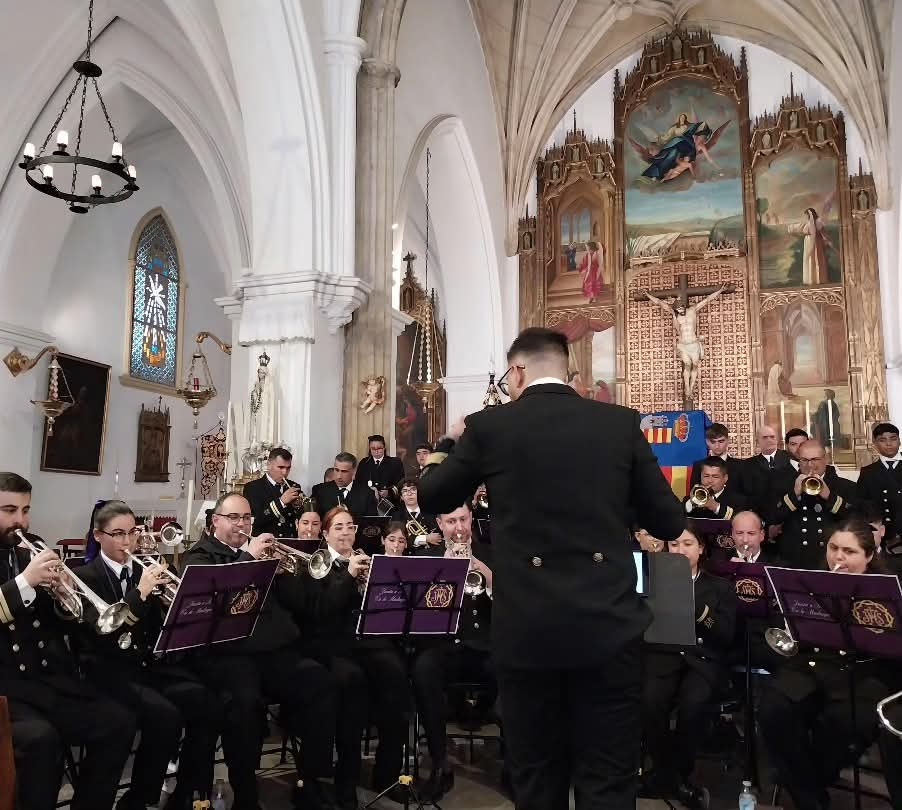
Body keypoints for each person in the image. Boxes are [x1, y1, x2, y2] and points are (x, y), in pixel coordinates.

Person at [417, 327, 686, 810]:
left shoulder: (490, 427)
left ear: (517, 372)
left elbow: (432, 494)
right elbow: (667, 520)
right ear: (567, 370)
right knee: (607, 777)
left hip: (529, 630)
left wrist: (448, 438)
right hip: (608, 627)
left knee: (537, 777)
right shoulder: (620, 424)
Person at [181, 493, 337, 810]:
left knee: (321, 683)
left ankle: (310, 779)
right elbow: (212, 608)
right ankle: (245, 791)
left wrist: (283, 573)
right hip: (228, 654)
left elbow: (298, 606)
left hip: (272, 650)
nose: (242, 524)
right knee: (244, 703)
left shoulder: (266, 555)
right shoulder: (198, 557)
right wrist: (249, 560)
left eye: (247, 518)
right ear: (216, 521)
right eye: (234, 518)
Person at [1, 472, 136, 810]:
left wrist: (63, 595)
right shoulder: (24, 564)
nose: (20, 520)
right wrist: (26, 581)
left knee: (118, 722)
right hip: (5, 688)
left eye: (26, 510)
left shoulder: (28, 547)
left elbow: (58, 619)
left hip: (46, 680)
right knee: (42, 742)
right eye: (9, 510)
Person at [76, 500, 221, 810]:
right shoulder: (85, 576)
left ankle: (189, 790)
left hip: (147, 666)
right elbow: (105, 637)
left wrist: (171, 605)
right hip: (107, 670)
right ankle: (139, 798)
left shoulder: (147, 568)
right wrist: (140, 594)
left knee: (205, 700)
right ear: (98, 536)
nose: (127, 542)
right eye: (117, 534)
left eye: (132, 532)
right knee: (164, 716)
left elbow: (161, 628)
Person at [759, 518, 895, 810]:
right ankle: (811, 798)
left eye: (849, 551)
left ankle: (805, 783)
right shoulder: (811, 583)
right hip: (814, 662)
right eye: (834, 548)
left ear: (869, 556)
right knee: (773, 710)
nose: (839, 557)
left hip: (866, 671)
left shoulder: (886, 591)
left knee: (847, 724)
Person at [305, 507, 411, 809]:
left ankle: (387, 773)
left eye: (350, 527)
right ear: (325, 533)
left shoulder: (365, 559)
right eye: (338, 527)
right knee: (352, 684)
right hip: (332, 645)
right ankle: (345, 781)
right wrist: (349, 576)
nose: (346, 533)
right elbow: (321, 610)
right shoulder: (317, 564)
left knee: (396, 675)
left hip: (368, 642)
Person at [642, 528, 736, 808]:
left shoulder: (720, 587)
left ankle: (679, 774)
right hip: (663, 655)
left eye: (687, 543)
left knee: (693, 705)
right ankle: (661, 769)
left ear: (701, 549)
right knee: (650, 701)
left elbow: (725, 635)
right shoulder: (654, 582)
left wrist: (698, 609)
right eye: (674, 544)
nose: (680, 550)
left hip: (701, 659)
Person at [409, 501, 495, 802]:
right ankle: (440, 763)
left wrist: (485, 574)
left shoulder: (491, 553)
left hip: (486, 647)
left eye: (463, 520)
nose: (459, 529)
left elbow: (515, 605)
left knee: (516, 668)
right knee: (423, 669)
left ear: (471, 519)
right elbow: (417, 614)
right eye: (451, 522)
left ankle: (516, 766)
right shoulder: (427, 557)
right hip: (445, 647)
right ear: (440, 525)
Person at [771, 439, 855, 568]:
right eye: (804, 460)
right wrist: (794, 494)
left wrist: (829, 496)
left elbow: (853, 520)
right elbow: (774, 517)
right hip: (795, 560)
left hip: (831, 560)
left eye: (815, 459)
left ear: (824, 459)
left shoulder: (845, 486)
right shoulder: (785, 484)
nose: (810, 465)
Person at [642, 285, 730, 404]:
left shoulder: (692, 310)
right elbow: (659, 302)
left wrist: (720, 290)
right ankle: (687, 389)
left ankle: (691, 388)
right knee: (687, 365)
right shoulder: (675, 314)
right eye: (678, 309)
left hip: (693, 344)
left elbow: (708, 299)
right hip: (683, 344)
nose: (680, 310)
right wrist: (647, 294)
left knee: (695, 366)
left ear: (684, 306)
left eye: (681, 308)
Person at [856, 422, 902, 549]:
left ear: (899, 441)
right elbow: (862, 505)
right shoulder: (868, 472)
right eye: (883, 440)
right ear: (875, 444)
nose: (889, 443)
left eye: (893, 438)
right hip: (883, 538)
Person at [243, 447, 305, 538]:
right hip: (266, 544)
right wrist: (281, 502)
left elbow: (302, 518)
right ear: (268, 465)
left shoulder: (294, 486)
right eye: (280, 467)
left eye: (288, 468)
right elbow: (257, 519)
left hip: (290, 542)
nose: (285, 472)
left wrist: (298, 507)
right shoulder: (253, 488)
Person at [311, 452, 378, 524]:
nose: (339, 476)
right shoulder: (320, 491)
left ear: (354, 471)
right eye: (336, 470)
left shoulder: (367, 494)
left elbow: (371, 525)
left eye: (344, 471)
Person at [742, 424, 792, 518]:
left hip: (788, 513)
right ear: (757, 442)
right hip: (761, 516)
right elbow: (748, 493)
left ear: (777, 439)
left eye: (772, 437)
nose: (769, 440)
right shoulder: (748, 465)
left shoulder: (789, 459)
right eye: (765, 437)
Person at [683, 456, 748, 524]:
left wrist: (715, 506)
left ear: (725, 478)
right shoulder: (690, 499)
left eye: (715, 476)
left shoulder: (739, 501)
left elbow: (741, 521)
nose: (710, 481)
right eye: (706, 476)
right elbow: (676, 516)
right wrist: (692, 502)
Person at [390, 478, 441, 552]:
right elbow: (398, 540)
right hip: (409, 556)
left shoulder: (432, 511)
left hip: (434, 554)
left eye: (413, 489)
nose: (409, 493)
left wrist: (413, 539)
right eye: (405, 491)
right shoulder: (396, 517)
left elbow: (438, 536)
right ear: (401, 497)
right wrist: (425, 539)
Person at [689, 423, 744, 490]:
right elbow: (694, 492)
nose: (717, 446)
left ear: (728, 440)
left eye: (721, 441)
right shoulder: (698, 465)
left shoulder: (741, 466)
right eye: (713, 442)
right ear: (707, 442)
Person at [354, 434, 405, 502]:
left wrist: (389, 492)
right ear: (370, 449)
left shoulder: (395, 463)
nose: (376, 451)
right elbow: (358, 484)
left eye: (379, 448)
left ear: (384, 448)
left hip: (390, 504)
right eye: (373, 448)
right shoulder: (364, 463)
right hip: (369, 503)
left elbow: (401, 483)